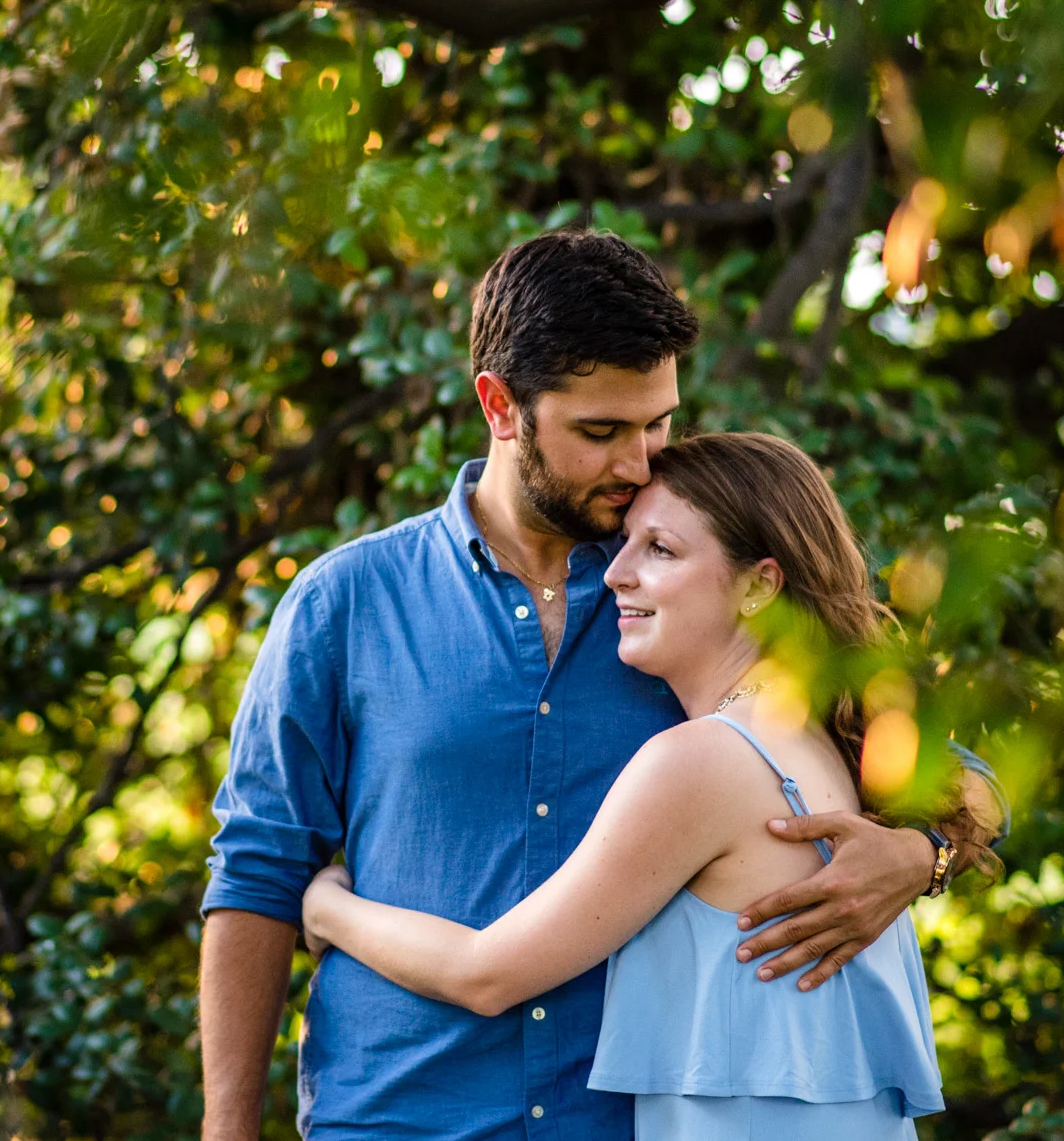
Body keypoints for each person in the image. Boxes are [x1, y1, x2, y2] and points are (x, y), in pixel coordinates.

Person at [199, 231, 1004, 1141]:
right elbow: (258, 873)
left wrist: (918, 853)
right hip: (396, 1120)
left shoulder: (691, 604)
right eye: (601, 431)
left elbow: (956, 771)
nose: (638, 462)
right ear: (501, 407)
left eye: (657, 423)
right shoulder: (344, 604)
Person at [300, 432, 950, 1140]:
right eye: (626, 544)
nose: (615, 575)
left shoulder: (703, 761)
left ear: (760, 585)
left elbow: (485, 974)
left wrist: (329, 906)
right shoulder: (830, 741)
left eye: (660, 551)